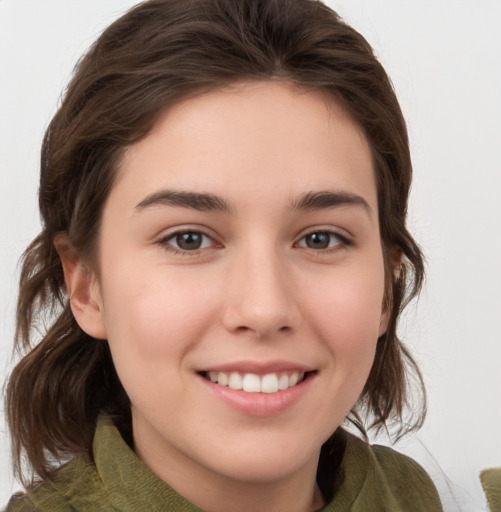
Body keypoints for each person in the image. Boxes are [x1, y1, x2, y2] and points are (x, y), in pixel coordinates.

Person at [2, 0, 443, 510]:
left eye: (320, 238)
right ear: (86, 285)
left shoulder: (419, 498)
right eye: (188, 239)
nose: (264, 309)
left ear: (387, 288)